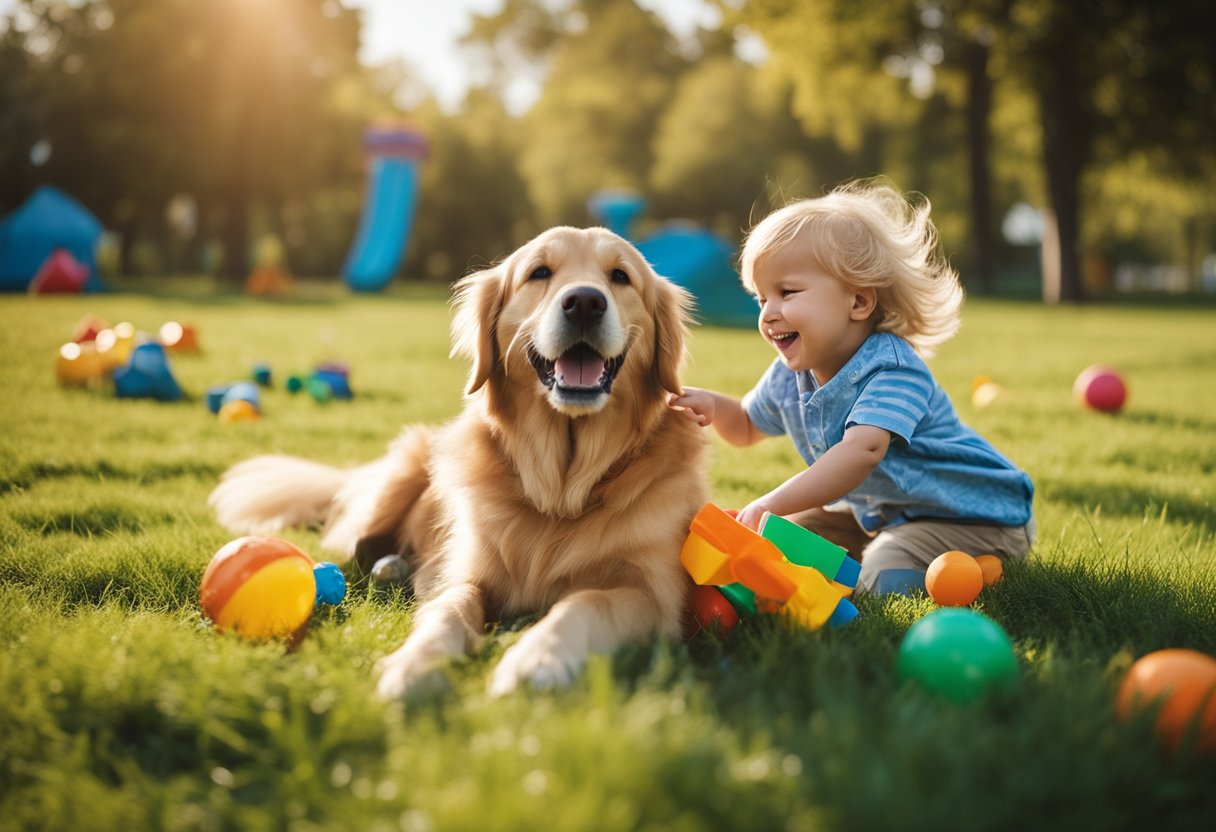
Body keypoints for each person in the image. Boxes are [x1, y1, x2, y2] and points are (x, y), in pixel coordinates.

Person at [667, 180, 1035, 594]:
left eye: (786, 292)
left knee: (879, 574)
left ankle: (979, 568)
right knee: (775, 540)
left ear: (858, 302)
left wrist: (768, 501)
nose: (768, 314)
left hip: (970, 515)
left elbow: (862, 452)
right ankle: (860, 560)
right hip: (879, 512)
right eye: (760, 298)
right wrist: (712, 405)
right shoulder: (790, 375)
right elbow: (747, 426)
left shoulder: (893, 369)